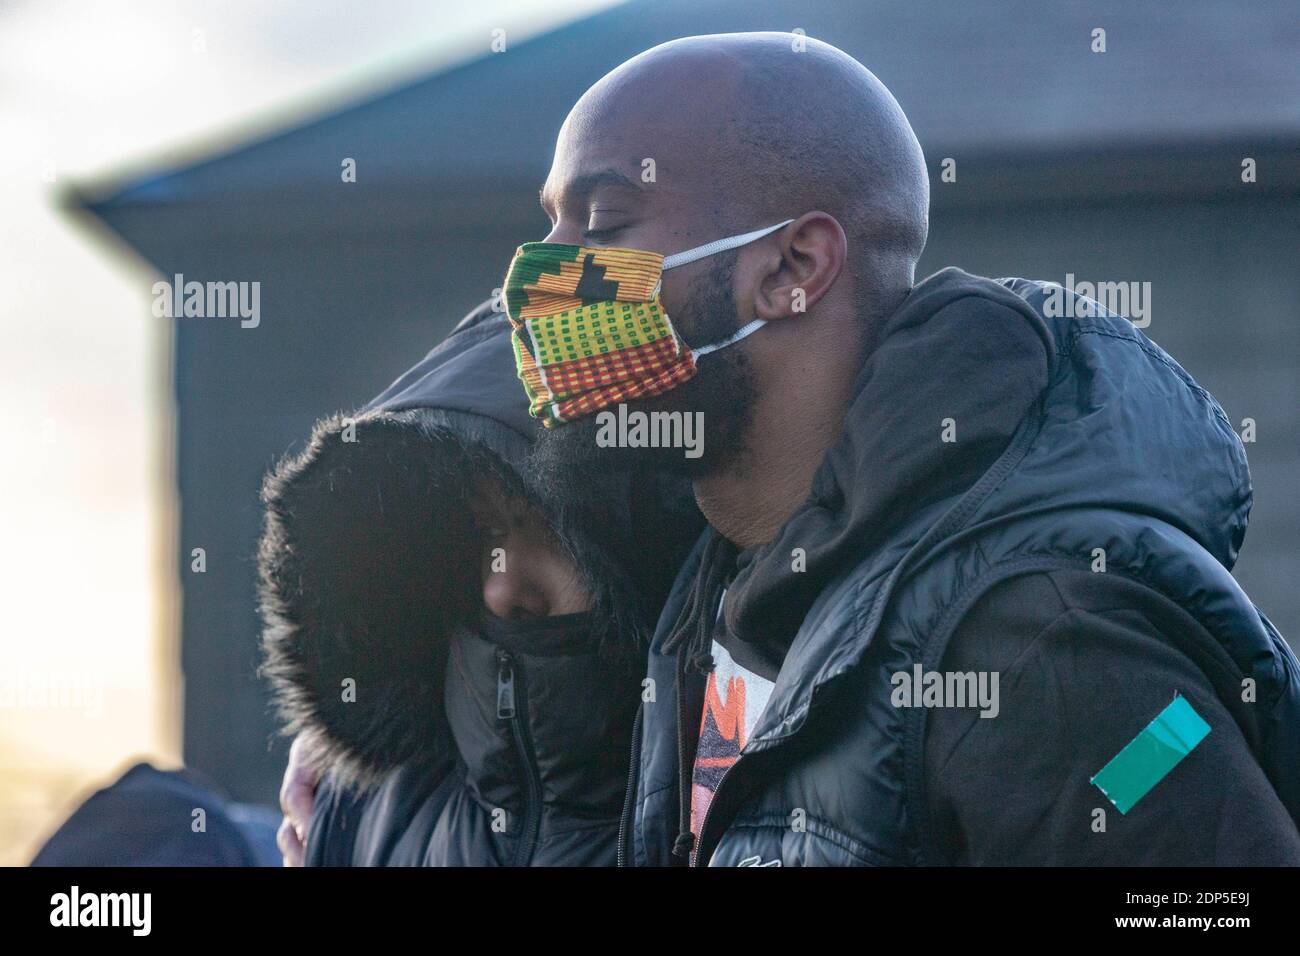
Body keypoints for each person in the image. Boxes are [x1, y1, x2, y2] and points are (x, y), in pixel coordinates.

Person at [507, 32, 1300, 865]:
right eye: (551, 222)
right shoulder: (715, 591)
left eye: (600, 223)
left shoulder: (1040, 644)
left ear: (793, 268)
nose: (540, 278)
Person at [260, 301, 701, 865]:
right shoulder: (361, 809)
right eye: (489, 530)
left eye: (556, 534)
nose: (500, 588)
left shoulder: (747, 794)